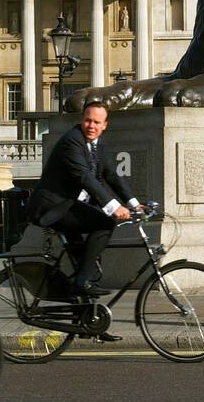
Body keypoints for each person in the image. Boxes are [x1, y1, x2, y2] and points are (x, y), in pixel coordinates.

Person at [32, 99, 143, 304]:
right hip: (53, 207)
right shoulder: (72, 141)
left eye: (96, 122)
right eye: (87, 120)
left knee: (86, 260)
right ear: (82, 120)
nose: (91, 126)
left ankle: (87, 315)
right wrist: (113, 207)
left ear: (105, 125)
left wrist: (134, 204)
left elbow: (110, 174)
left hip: (71, 205)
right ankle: (82, 281)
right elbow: (85, 177)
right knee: (105, 223)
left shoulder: (97, 144)